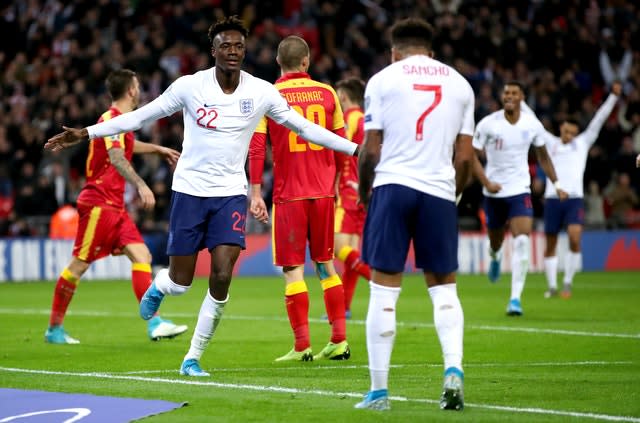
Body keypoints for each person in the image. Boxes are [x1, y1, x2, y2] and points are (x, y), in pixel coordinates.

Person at [45, 17, 359, 375]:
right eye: (225, 45)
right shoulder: (190, 87)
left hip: (229, 196)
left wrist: (355, 150)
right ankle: (161, 285)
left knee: (222, 276)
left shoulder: (260, 92)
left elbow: (306, 128)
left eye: (239, 46)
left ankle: (192, 357)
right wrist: (86, 133)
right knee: (181, 282)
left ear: (245, 51)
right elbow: (140, 116)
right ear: (213, 51)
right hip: (190, 193)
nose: (233, 51)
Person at [355, 18, 474, 411]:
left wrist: (365, 192)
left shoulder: (383, 80)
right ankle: (453, 370)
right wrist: (450, 195)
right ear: (432, 51)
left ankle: (378, 392)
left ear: (395, 51)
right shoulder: (460, 84)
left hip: (393, 185)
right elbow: (465, 158)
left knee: (384, 290)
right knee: (444, 290)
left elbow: (370, 149)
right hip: (438, 191)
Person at [45, 69, 187, 344]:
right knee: (79, 266)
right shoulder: (110, 119)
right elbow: (117, 156)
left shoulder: (122, 123)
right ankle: (54, 329)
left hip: (115, 207)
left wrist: (157, 149)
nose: (140, 90)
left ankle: (154, 323)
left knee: (142, 256)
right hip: (98, 203)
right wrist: (141, 184)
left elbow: (129, 145)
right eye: (138, 86)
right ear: (131, 91)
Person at [248, 36, 351, 362]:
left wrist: (255, 190)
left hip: (290, 195)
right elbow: (341, 144)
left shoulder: (269, 95)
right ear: (306, 62)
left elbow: (256, 146)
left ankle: (303, 345)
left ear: (279, 63)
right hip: (323, 193)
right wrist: (334, 182)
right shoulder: (328, 92)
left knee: (293, 270)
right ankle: (338, 340)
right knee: (326, 266)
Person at [472, 81, 568, 316]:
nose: (510, 96)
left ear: (522, 96)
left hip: (519, 191)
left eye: (514, 93)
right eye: (506, 93)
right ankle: (495, 256)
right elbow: (470, 157)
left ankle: (515, 299)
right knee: (496, 243)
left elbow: (543, 157)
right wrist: (486, 183)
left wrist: (556, 184)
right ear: (501, 96)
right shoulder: (488, 124)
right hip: (493, 192)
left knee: (523, 240)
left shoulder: (532, 124)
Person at [522, 82, 621, 298]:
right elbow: (534, 122)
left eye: (572, 132)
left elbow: (598, 120)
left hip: (574, 198)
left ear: (576, 132)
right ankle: (551, 286)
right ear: (561, 129)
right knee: (551, 243)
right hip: (552, 198)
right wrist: (521, 102)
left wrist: (613, 98)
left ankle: (567, 282)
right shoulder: (550, 142)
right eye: (566, 131)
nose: (569, 135)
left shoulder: (583, 143)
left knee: (575, 237)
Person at [333, 77, 371, 318]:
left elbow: (338, 147)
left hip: (348, 191)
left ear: (344, 97)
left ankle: (374, 278)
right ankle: (344, 307)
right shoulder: (368, 120)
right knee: (351, 254)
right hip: (363, 192)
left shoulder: (350, 118)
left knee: (338, 248)